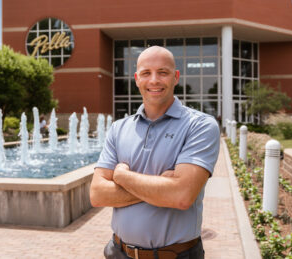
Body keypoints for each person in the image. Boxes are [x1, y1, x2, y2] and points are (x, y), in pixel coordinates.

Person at [90, 46, 220, 259]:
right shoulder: (118, 129)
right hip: (118, 252)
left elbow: (181, 196)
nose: (154, 80)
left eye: (163, 72)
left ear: (176, 77)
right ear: (136, 79)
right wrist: (161, 187)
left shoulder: (200, 126)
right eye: (146, 73)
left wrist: (122, 176)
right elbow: (97, 195)